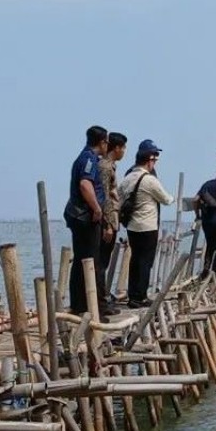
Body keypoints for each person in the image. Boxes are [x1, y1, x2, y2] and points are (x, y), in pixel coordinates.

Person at [63, 125, 118, 316]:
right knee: (90, 261)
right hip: (84, 216)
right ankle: (90, 307)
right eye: (107, 142)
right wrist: (96, 208)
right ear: (102, 142)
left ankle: (81, 305)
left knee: (82, 261)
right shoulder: (88, 159)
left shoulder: (89, 158)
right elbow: (85, 184)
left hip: (82, 215)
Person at [117, 140, 174, 308]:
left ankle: (133, 294)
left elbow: (119, 198)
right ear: (149, 160)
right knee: (145, 262)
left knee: (135, 260)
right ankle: (140, 296)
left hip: (132, 226)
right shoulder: (149, 180)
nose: (155, 163)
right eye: (155, 159)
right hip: (148, 226)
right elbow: (166, 199)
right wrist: (174, 198)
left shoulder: (127, 178)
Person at [97, 131, 127, 305]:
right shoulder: (106, 167)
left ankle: (102, 298)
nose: (124, 152)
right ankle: (100, 301)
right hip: (107, 220)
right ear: (116, 148)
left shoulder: (110, 166)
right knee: (101, 263)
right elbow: (105, 198)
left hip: (112, 218)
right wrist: (108, 225)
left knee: (103, 263)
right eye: (123, 148)